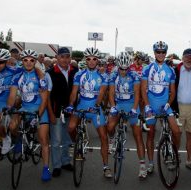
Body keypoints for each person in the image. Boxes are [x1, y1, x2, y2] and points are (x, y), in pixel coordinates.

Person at [66, 47, 111, 178]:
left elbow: (102, 93)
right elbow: (74, 92)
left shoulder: (103, 76)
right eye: (89, 59)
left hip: (95, 108)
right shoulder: (79, 74)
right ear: (86, 60)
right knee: (71, 128)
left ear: (98, 61)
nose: (91, 62)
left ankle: (105, 167)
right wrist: (70, 105)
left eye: (94, 59)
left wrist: (96, 105)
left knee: (103, 137)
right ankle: (77, 144)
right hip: (81, 106)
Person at [7, 49, 51, 182]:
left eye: (32, 60)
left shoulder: (41, 76)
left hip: (39, 109)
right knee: (12, 125)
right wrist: (9, 108)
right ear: (22, 61)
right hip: (25, 108)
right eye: (25, 60)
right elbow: (12, 96)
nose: (28, 62)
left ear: (35, 61)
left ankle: (45, 168)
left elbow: (44, 100)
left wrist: (39, 114)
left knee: (43, 139)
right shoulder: (17, 76)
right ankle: (19, 140)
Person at [141, 41, 181, 174]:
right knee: (151, 134)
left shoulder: (170, 70)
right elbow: (143, 89)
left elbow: (173, 92)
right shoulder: (147, 68)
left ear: (166, 53)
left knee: (176, 131)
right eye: (158, 52)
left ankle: (175, 154)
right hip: (151, 106)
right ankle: (151, 163)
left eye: (163, 52)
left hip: (165, 105)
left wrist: (169, 103)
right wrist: (147, 106)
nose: (161, 54)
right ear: (154, 53)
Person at [106, 52, 147, 179]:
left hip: (131, 104)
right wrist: (112, 106)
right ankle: (112, 139)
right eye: (121, 68)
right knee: (110, 126)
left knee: (138, 135)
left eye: (126, 68)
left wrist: (135, 109)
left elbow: (137, 93)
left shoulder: (134, 75)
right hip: (119, 104)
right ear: (117, 66)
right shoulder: (113, 74)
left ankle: (142, 165)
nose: (123, 71)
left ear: (129, 66)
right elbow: (111, 93)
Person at [46, 47, 77, 177]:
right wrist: (51, 114)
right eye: (62, 56)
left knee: (66, 139)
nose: (65, 59)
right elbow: (46, 96)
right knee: (56, 141)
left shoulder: (75, 71)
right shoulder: (50, 73)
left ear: (70, 58)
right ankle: (57, 165)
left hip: (70, 110)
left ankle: (65, 162)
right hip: (56, 111)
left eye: (67, 56)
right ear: (57, 58)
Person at [171, 48, 191, 172]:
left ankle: (189, 161)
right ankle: (175, 159)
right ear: (182, 58)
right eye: (187, 56)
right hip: (179, 107)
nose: (189, 59)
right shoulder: (175, 71)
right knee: (176, 134)